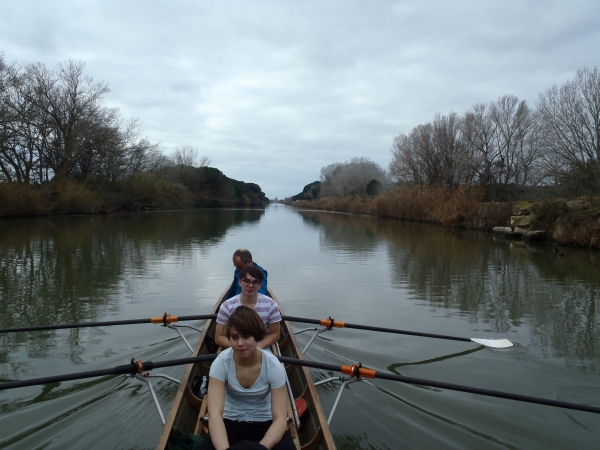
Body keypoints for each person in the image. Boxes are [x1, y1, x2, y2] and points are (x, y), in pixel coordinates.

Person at [198, 305, 295, 450]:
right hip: (228, 423)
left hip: (265, 423)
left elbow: (280, 418)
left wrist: (263, 447)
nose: (240, 344)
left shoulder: (274, 366)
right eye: (234, 337)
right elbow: (215, 413)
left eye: (246, 336)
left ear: (256, 336)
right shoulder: (220, 363)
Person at [215, 266, 281, 350]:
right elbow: (219, 337)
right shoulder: (226, 306)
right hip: (235, 347)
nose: (250, 285)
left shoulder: (271, 304)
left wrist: (257, 347)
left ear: (260, 285)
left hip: (260, 348)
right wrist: (239, 347)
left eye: (255, 282)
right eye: (247, 281)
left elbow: (275, 334)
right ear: (240, 282)